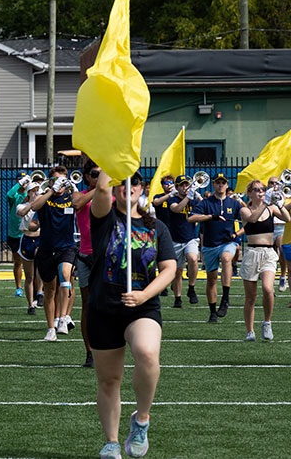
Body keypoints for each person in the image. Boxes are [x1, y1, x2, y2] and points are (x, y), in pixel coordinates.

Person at [88, 170, 175, 459]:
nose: (129, 186)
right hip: (104, 307)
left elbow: (169, 269)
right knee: (109, 379)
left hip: (142, 306)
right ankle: (111, 441)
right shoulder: (104, 218)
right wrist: (109, 163)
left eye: (134, 181)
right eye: (122, 181)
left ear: (142, 188)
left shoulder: (157, 227)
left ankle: (141, 420)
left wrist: (144, 295)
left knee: (147, 353)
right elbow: (101, 193)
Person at [21, 165, 78, 341]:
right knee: (49, 290)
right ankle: (51, 328)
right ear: (51, 181)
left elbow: (79, 202)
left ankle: (63, 318)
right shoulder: (45, 197)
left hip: (67, 247)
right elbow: (34, 206)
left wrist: (73, 187)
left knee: (65, 275)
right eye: (56, 180)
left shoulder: (71, 197)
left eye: (62, 180)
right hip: (46, 249)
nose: (60, 184)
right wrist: (51, 190)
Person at [239, 179, 290, 341]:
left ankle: (267, 322)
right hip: (252, 253)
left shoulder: (271, 208)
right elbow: (253, 219)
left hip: (268, 253)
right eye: (256, 190)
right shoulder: (244, 210)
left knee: (268, 289)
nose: (261, 192)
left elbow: (287, 218)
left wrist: (280, 204)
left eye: (262, 189)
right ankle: (250, 331)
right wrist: (266, 202)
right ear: (249, 193)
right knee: (250, 297)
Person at [188, 173, 242, 323]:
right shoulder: (206, 202)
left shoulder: (234, 203)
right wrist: (211, 217)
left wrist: (237, 233)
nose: (220, 185)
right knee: (211, 280)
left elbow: (248, 220)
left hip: (227, 242)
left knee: (226, 258)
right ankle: (212, 311)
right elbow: (191, 218)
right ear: (213, 184)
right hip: (210, 245)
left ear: (227, 185)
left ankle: (225, 297)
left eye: (223, 183)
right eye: (218, 183)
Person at [71, 160, 101, 367]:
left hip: (105, 255)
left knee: (111, 304)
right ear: (87, 177)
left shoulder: (111, 194)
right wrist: (100, 186)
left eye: (101, 173)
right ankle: (89, 352)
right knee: (88, 306)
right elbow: (77, 204)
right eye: (94, 174)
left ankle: (108, 349)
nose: (98, 177)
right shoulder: (80, 194)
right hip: (85, 255)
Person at [166, 176, 201, 307]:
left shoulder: (193, 200)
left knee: (192, 258)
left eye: (187, 185)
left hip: (190, 237)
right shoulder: (172, 200)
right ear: (176, 187)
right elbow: (177, 209)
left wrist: (197, 195)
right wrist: (189, 196)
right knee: (178, 271)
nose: (185, 187)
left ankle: (191, 288)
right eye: (182, 185)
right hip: (175, 239)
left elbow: (205, 207)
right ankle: (178, 298)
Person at [16, 183, 42, 316]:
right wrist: (32, 203)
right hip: (27, 239)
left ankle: (40, 293)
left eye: (38, 191)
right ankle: (31, 304)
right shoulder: (22, 205)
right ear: (28, 193)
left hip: (40, 239)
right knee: (29, 276)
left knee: (42, 268)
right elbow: (20, 213)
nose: (36, 193)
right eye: (33, 191)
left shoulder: (43, 206)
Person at [6, 173, 30, 297]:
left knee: (31, 262)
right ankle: (18, 287)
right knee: (17, 261)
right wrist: (20, 183)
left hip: (28, 233)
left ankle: (32, 286)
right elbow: (9, 195)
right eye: (20, 179)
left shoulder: (30, 193)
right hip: (15, 233)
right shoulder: (14, 194)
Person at [269, 176, 289, 293]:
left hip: (281, 227)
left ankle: (282, 277)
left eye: (276, 183)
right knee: (270, 256)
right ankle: (270, 284)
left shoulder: (284, 195)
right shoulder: (266, 195)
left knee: (282, 250)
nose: (274, 184)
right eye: (271, 183)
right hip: (269, 228)